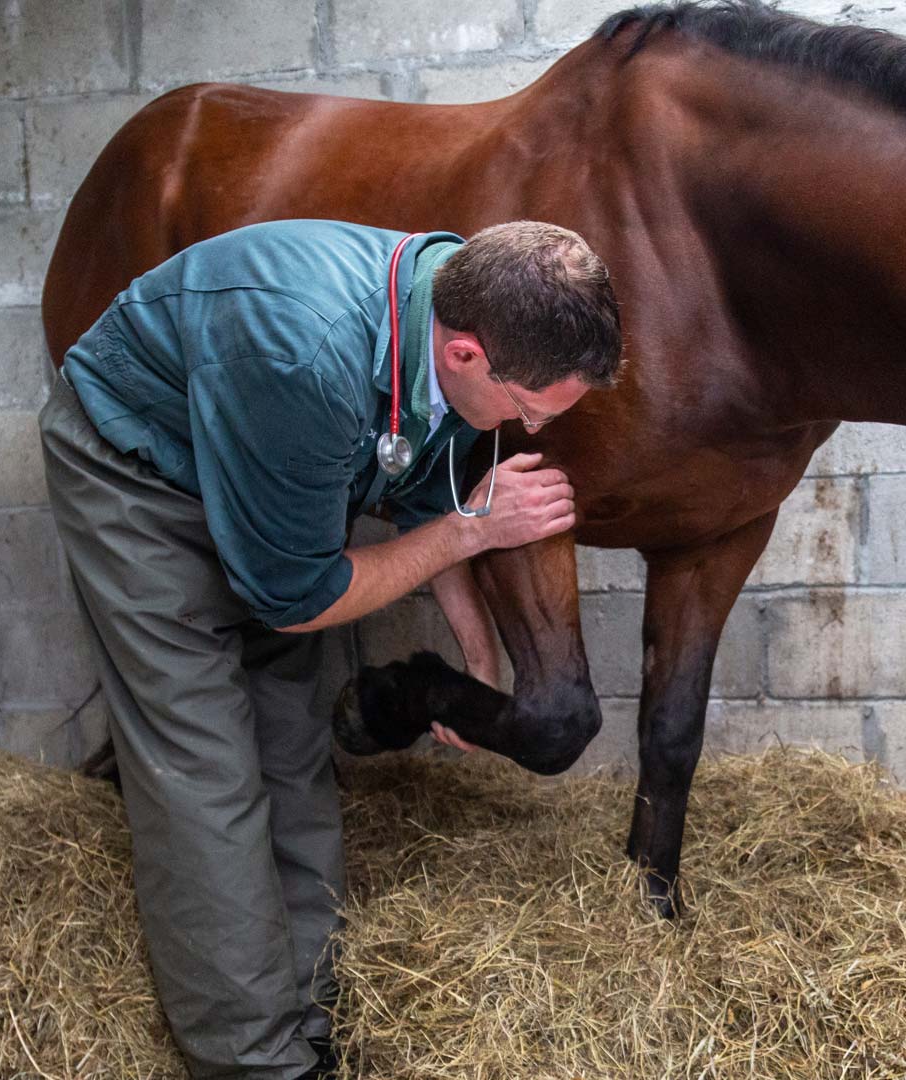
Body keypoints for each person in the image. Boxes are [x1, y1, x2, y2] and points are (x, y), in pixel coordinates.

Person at [38, 219, 623, 1079]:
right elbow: (298, 596)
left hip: (268, 470)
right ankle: (255, 1060)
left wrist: (477, 659)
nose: (530, 431)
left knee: (289, 737)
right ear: (465, 354)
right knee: (205, 768)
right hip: (141, 476)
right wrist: (472, 533)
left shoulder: (453, 300)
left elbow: (427, 484)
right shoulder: (307, 354)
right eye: (529, 409)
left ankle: (315, 1008)